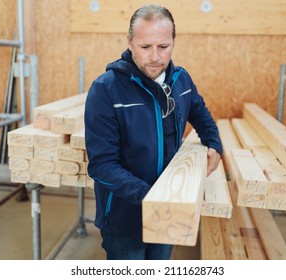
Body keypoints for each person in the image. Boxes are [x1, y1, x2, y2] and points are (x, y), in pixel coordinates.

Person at [84, 4, 223, 260]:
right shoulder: (106, 90)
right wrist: (155, 197)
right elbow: (102, 165)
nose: (155, 57)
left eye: (163, 46)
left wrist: (214, 145)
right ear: (129, 42)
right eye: (145, 47)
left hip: (167, 214)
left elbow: (200, 114)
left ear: (173, 41)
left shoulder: (181, 80)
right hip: (124, 218)